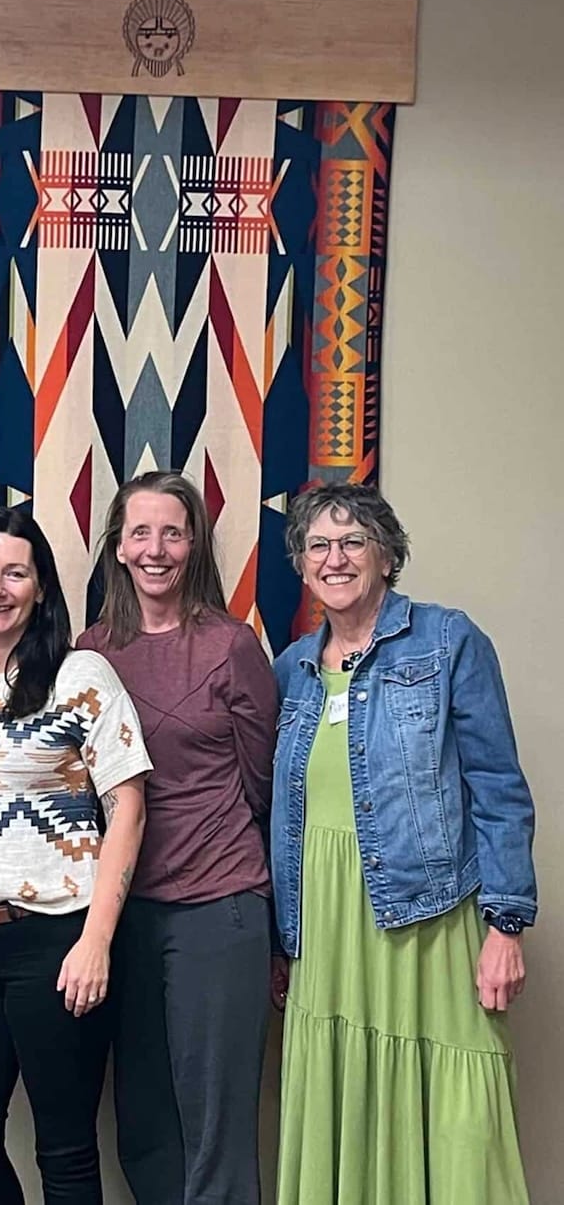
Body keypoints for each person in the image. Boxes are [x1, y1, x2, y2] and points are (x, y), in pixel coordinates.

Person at [271, 482, 534, 1204]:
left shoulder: (448, 641)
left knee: (454, 1106)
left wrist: (506, 924)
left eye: (353, 541)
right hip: (323, 926)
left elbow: (499, 787)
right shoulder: (291, 669)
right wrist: (280, 938)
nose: (335, 558)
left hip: (428, 914)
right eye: (318, 545)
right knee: (343, 1096)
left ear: (387, 556)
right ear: (302, 565)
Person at [0, 507, 152, 1205]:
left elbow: (128, 808)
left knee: (65, 1151)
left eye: (15, 573)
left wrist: (96, 941)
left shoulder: (80, 674)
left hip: (58, 939)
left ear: (41, 588)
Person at [76, 470, 276, 1204]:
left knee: (214, 1124)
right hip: (125, 915)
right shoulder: (91, 652)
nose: (155, 549)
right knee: (143, 1123)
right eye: (141, 533)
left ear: (193, 546)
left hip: (220, 907)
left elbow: (263, 784)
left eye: (173, 533)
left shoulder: (232, 646)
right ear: (118, 547)